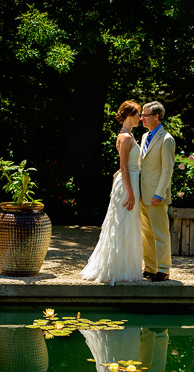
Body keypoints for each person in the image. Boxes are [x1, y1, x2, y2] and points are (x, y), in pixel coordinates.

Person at [80, 101, 144, 285]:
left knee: (129, 224)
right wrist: (130, 193)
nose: (140, 118)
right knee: (121, 223)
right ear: (130, 115)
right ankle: (115, 267)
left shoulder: (130, 135)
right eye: (138, 114)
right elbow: (123, 166)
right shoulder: (124, 137)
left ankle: (125, 267)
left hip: (131, 181)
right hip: (127, 183)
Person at [138, 101, 175, 282]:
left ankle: (163, 269)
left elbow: (167, 170)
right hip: (143, 194)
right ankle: (150, 267)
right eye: (142, 115)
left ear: (156, 116)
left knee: (161, 233)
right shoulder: (145, 136)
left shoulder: (167, 139)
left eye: (145, 115)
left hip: (156, 196)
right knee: (147, 234)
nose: (142, 118)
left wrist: (159, 194)